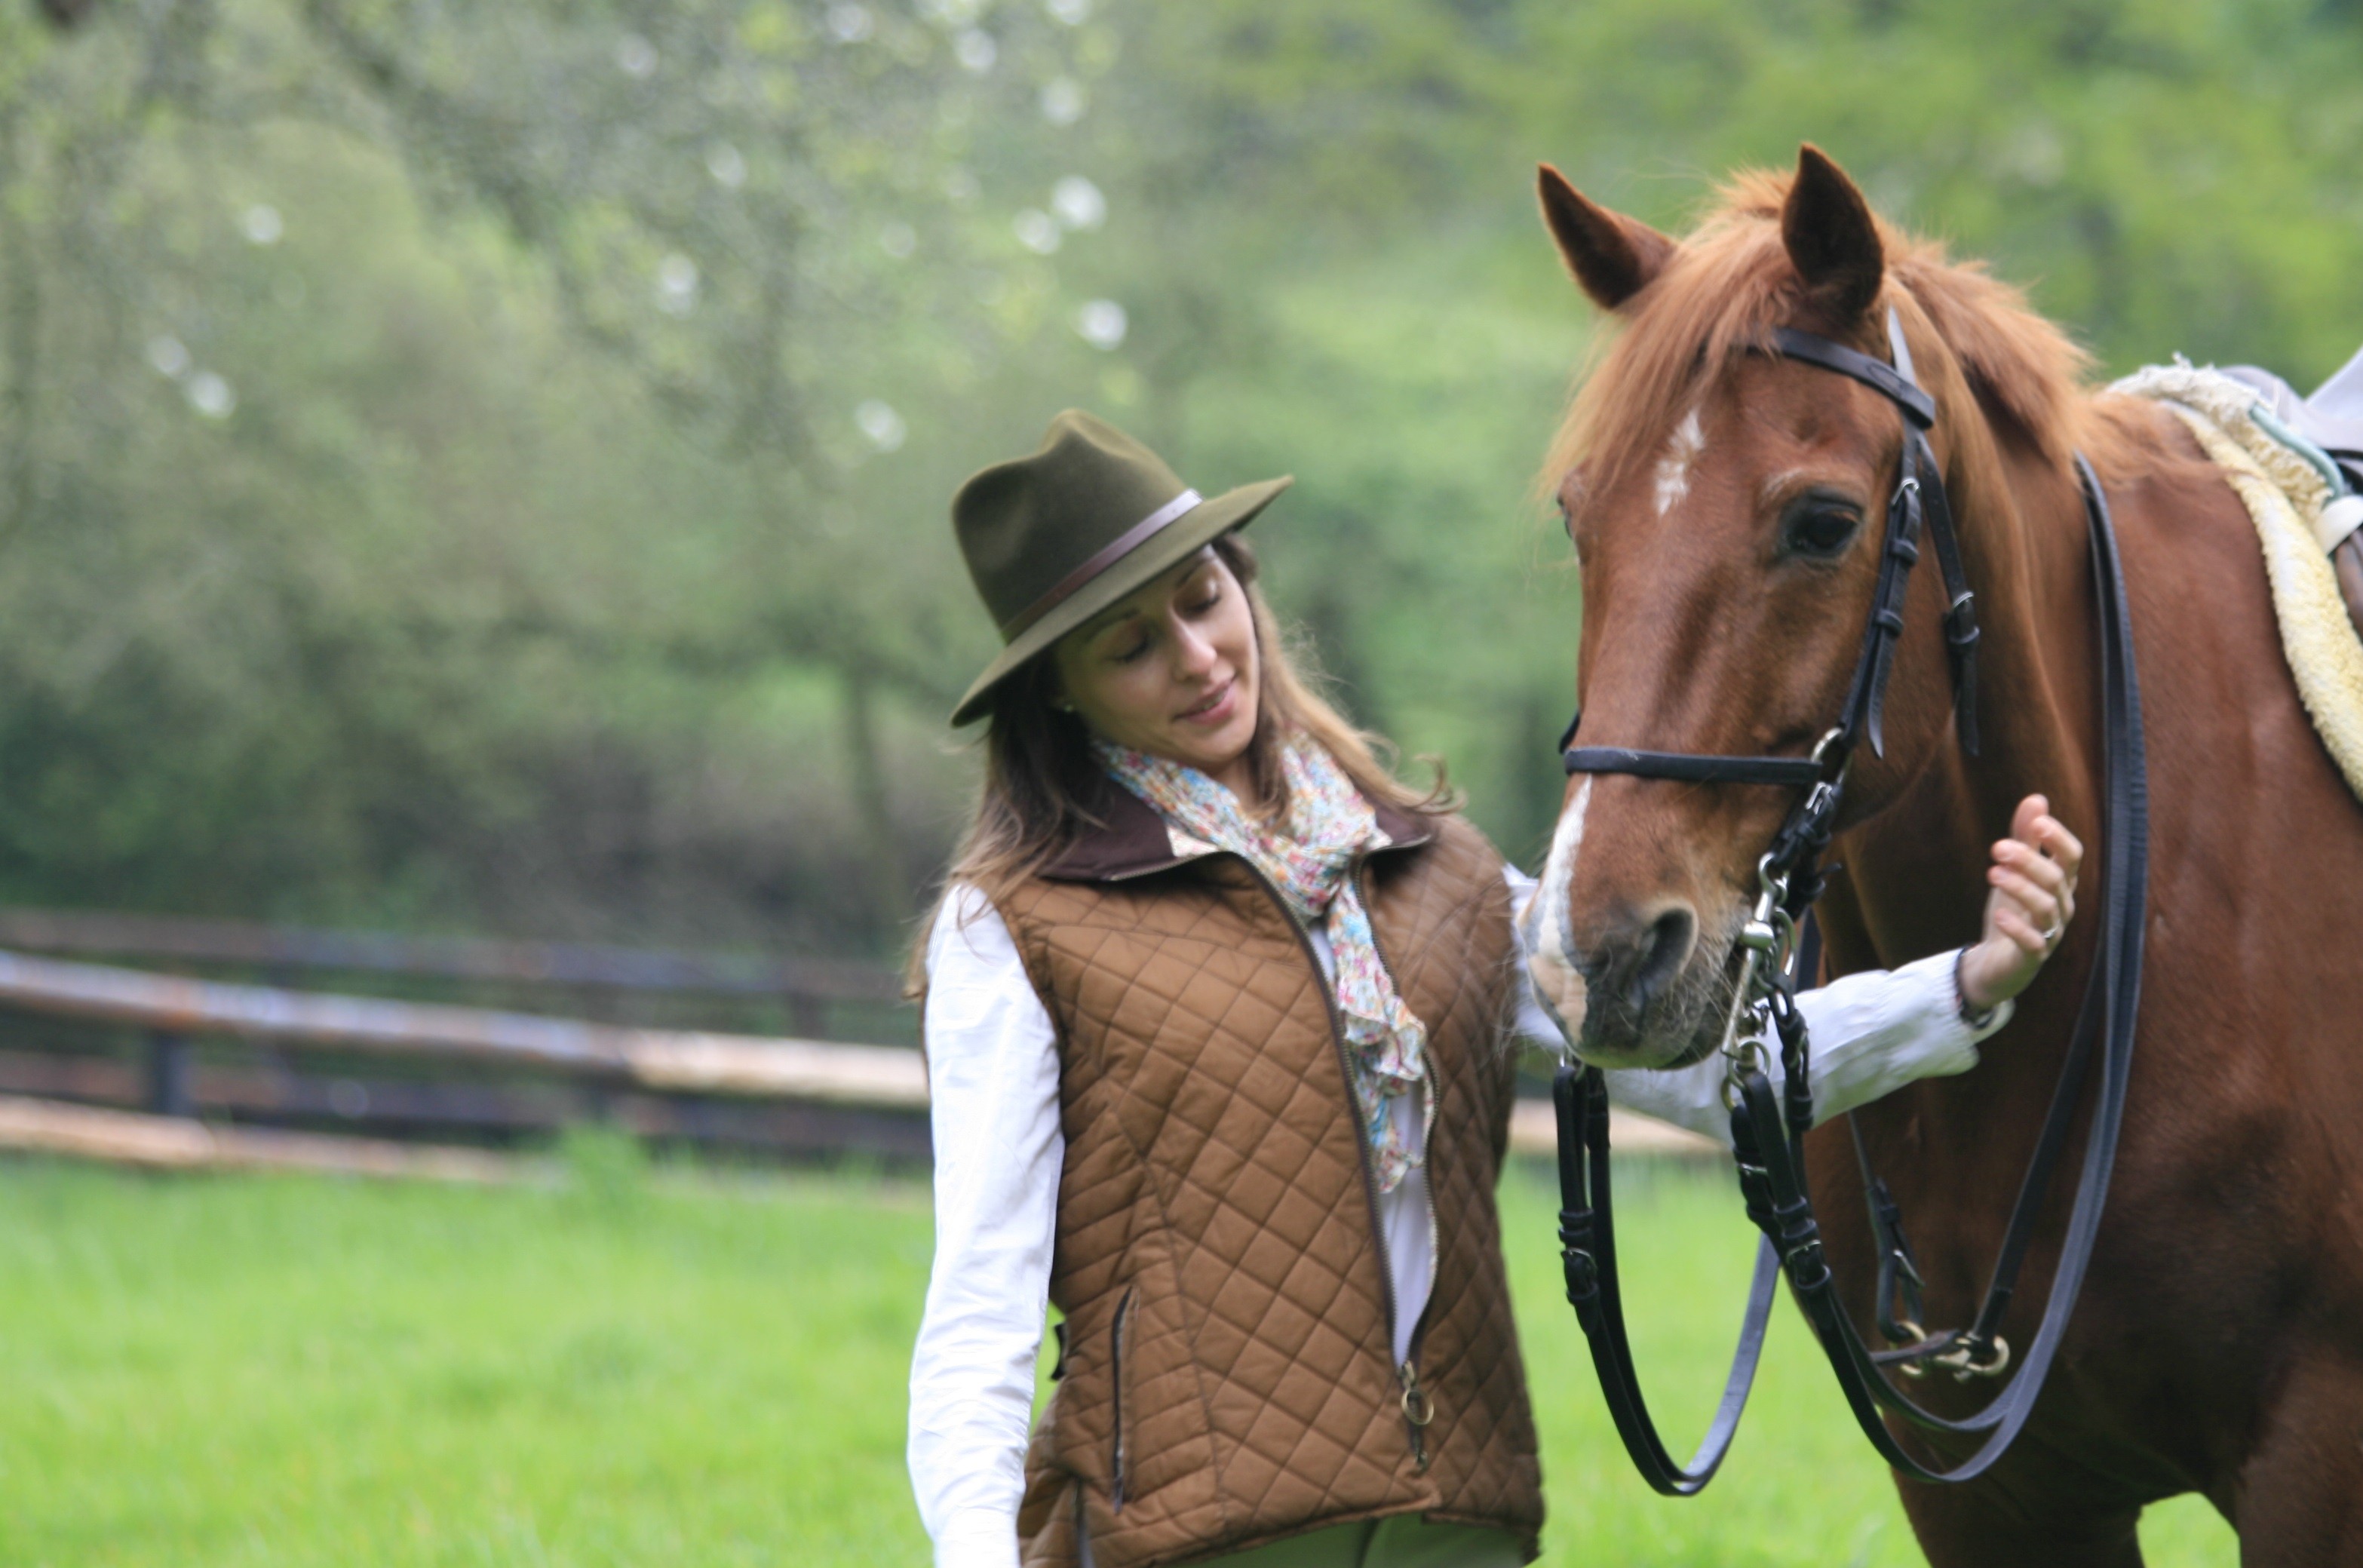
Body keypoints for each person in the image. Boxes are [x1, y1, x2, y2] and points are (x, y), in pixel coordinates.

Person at [906, 411, 2081, 1568]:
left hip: (1449, 1526)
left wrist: (1968, 985)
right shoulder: (1018, 926)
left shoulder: (1436, 871)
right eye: (1128, 647)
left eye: (1202, 599)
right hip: (1194, 1538)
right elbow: (980, 1308)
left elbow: (1717, 1078)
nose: (1199, 656)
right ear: (1056, 691)